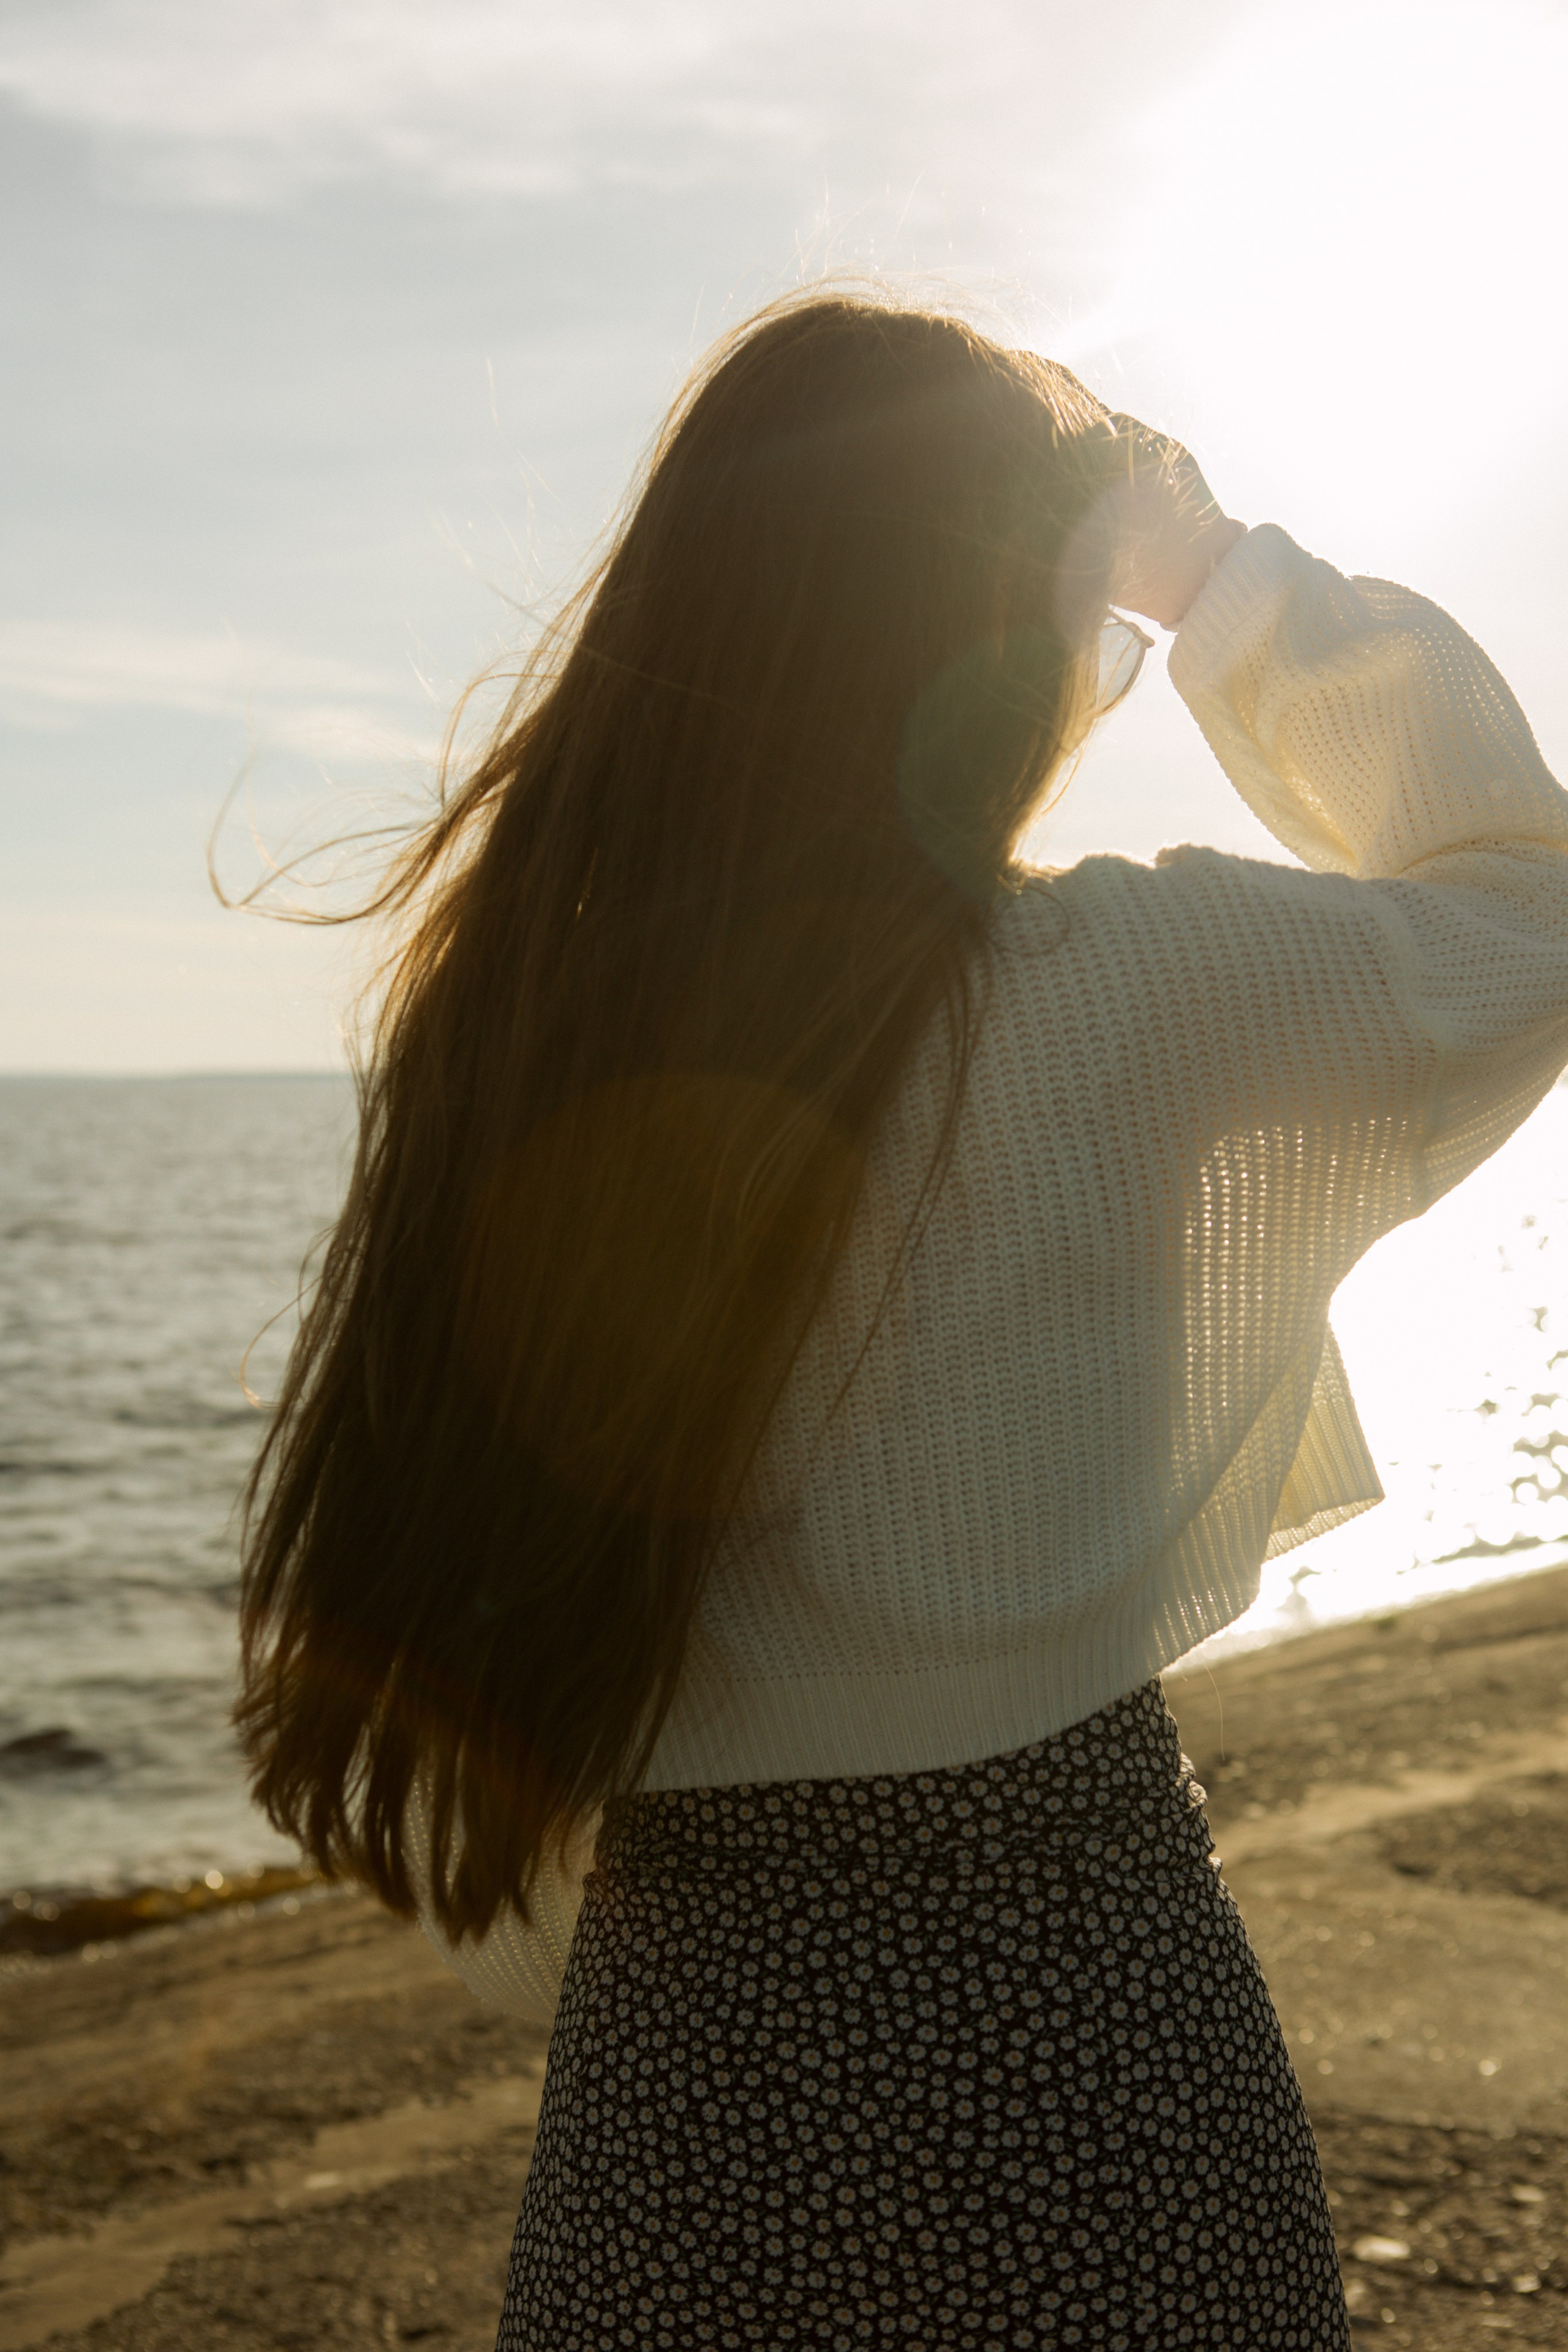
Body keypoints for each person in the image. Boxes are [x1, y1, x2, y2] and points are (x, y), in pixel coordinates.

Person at [235, 288, 1568, 2351]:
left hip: (683, 2103)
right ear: (976, 649)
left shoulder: (516, 1056)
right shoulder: (1118, 991)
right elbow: (1525, 914)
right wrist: (1212, 582)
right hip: (1085, 2050)